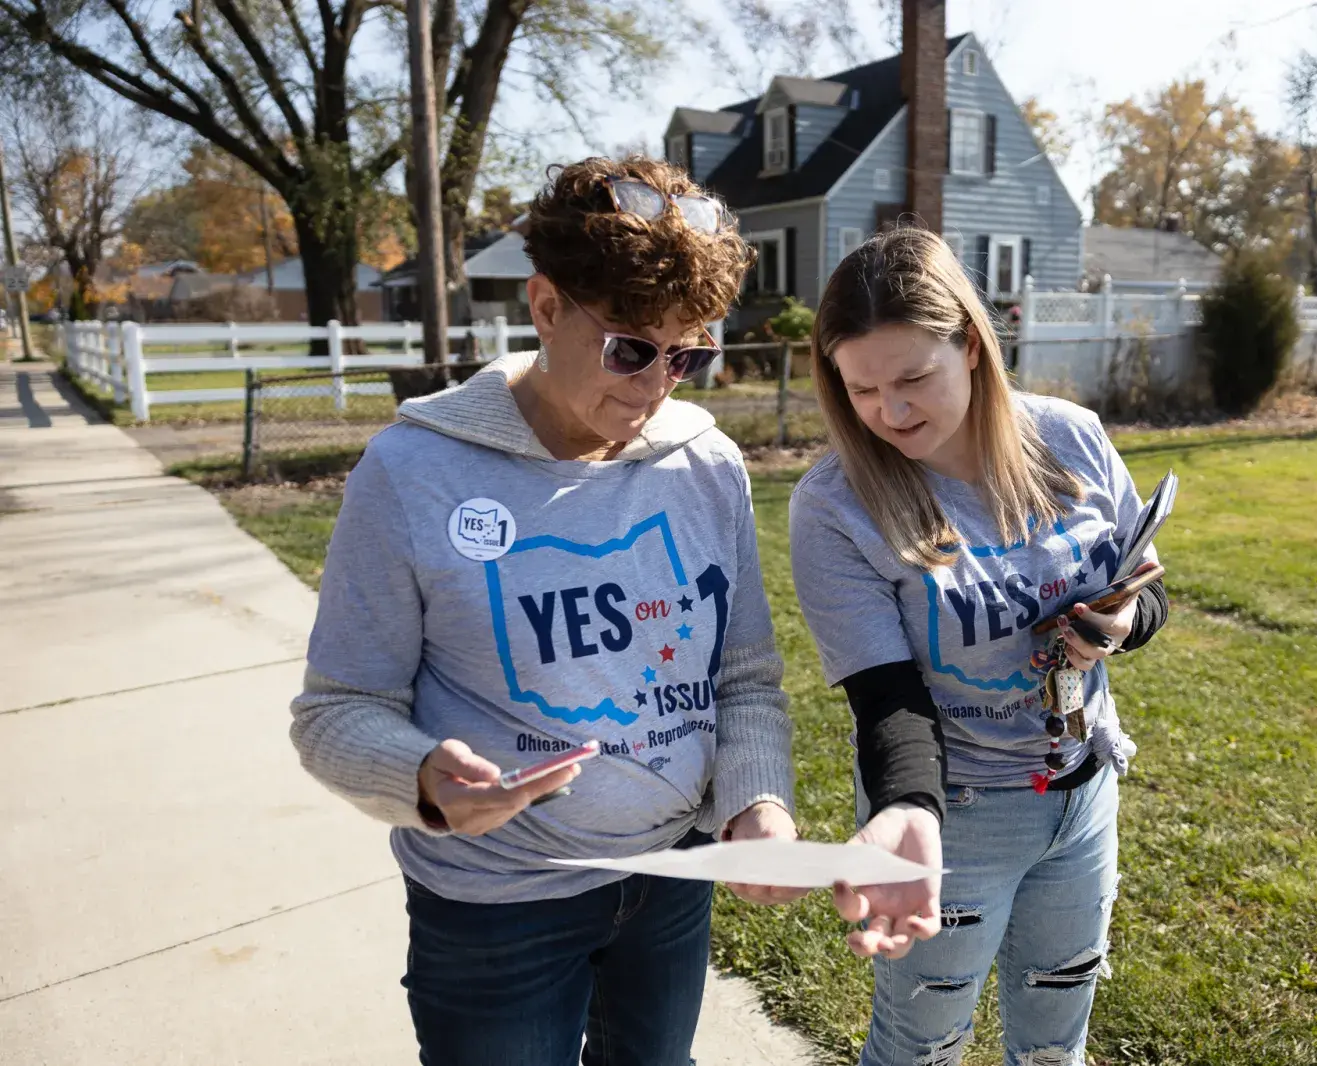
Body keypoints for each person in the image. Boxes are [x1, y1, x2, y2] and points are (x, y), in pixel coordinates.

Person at [290, 156, 803, 1066]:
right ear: (545, 306)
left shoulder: (707, 465)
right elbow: (337, 710)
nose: (656, 385)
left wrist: (757, 800)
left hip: (671, 878)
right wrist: (421, 777)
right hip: (497, 907)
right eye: (630, 349)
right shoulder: (412, 473)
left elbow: (744, 677)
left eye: (688, 355)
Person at [789, 228, 1168, 1066]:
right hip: (954, 819)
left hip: (1083, 797)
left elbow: (1146, 588)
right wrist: (907, 813)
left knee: (1056, 1042)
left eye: (913, 378)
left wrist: (1121, 624)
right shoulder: (834, 508)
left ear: (969, 343)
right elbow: (887, 698)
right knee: (921, 1045)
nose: (891, 413)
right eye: (862, 389)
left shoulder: (1071, 438)